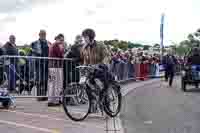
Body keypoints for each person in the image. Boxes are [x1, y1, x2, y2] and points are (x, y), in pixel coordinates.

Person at [80, 28, 109, 113]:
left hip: (101, 69)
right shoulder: (85, 47)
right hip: (91, 70)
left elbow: (107, 56)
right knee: (88, 86)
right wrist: (84, 66)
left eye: (85, 37)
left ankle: (106, 106)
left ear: (91, 37)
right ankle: (92, 105)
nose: (84, 39)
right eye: (84, 37)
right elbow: (86, 59)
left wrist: (102, 64)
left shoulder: (100, 45)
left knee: (103, 87)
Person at [31, 30, 50, 101]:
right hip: (38, 64)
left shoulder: (48, 43)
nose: (43, 35)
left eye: (44, 34)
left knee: (45, 80)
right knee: (39, 80)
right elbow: (33, 53)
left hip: (46, 64)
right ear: (39, 35)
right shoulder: (34, 43)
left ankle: (44, 95)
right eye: (42, 34)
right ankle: (39, 96)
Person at [48, 34, 65, 106]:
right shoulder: (56, 45)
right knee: (56, 84)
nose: (62, 42)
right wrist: (62, 49)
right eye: (61, 40)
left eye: (62, 40)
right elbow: (60, 55)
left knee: (52, 83)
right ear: (58, 39)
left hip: (53, 67)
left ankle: (52, 100)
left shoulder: (53, 45)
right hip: (56, 67)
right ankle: (55, 100)